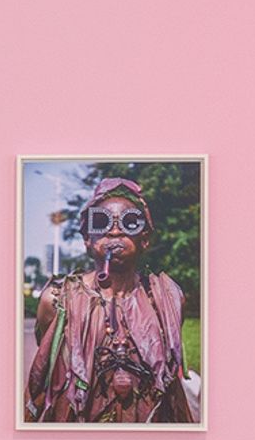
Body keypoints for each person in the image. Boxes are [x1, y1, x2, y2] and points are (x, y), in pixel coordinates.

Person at [25, 172, 196, 425]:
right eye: (101, 222)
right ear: (87, 240)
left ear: (145, 239)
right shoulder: (57, 300)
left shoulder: (168, 300)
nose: (115, 231)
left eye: (129, 222)